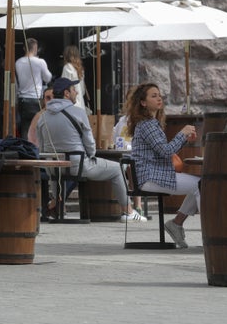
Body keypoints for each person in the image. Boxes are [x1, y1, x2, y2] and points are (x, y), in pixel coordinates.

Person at [36, 77, 146, 222]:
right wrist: (89, 155)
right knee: (117, 169)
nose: (76, 92)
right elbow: (90, 146)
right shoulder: (78, 113)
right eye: (74, 89)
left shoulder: (42, 117)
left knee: (60, 169)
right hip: (78, 165)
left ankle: (57, 206)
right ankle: (129, 212)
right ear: (66, 93)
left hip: (53, 168)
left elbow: (42, 146)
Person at [124, 83, 200, 248]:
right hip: (151, 176)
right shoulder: (147, 125)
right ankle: (208, 233)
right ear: (143, 103)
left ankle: (177, 223)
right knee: (201, 185)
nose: (159, 98)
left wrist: (184, 138)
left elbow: (164, 152)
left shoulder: (150, 123)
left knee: (200, 185)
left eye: (159, 95)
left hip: (153, 175)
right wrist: (182, 133)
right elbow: (166, 152)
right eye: (153, 96)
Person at [15, 38, 52, 139]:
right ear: (35, 48)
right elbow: (48, 78)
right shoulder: (40, 62)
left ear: (24, 48)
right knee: (38, 128)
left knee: (25, 128)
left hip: (22, 99)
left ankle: (25, 151)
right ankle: (36, 151)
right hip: (35, 99)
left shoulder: (18, 62)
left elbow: (16, 83)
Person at [60, 45, 87, 111]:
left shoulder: (67, 67)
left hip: (71, 104)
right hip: (80, 103)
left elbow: (64, 87)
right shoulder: (80, 69)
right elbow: (83, 90)